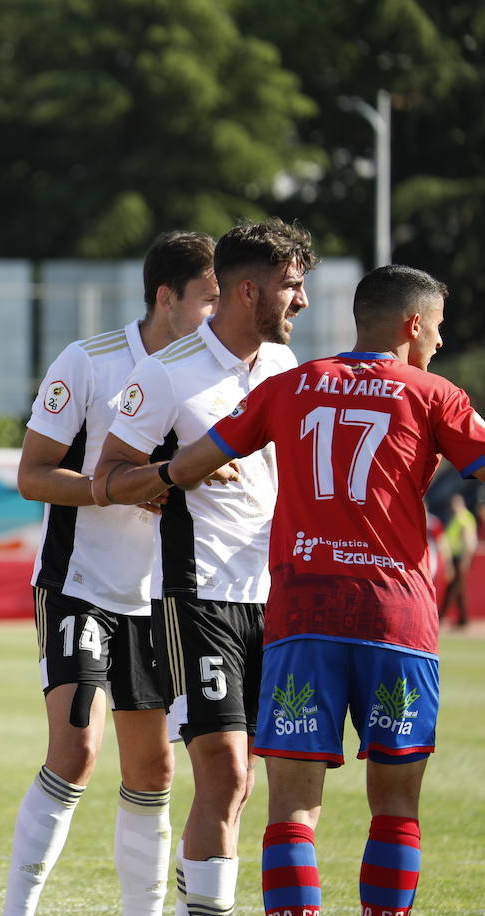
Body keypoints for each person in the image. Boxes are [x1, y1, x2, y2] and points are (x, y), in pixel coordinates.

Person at [161, 264, 485, 916]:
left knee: (291, 809)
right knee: (395, 806)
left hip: (303, 615)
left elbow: (191, 464)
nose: (442, 344)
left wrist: (115, 485)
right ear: (412, 325)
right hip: (395, 619)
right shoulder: (435, 394)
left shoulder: (291, 385)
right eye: (440, 330)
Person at [92, 217, 318, 916]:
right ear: (249, 292)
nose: (302, 301)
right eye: (292, 286)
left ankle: (204, 896)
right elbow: (108, 475)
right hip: (199, 594)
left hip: (278, 596)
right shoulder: (164, 374)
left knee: (248, 779)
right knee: (219, 769)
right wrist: (177, 471)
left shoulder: (288, 370)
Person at [4, 230, 219, 915]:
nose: (220, 316)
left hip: (159, 597)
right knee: (75, 752)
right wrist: (112, 488)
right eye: (210, 300)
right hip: (80, 586)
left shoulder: (215, 373)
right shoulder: (89, 360)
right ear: (168, 297)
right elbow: (31, 476)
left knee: (155, 770)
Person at [437, 491, 476, 629]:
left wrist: (466, 558)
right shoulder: (457, 518)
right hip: (456, 556)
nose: (452, 507)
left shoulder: (463, 518)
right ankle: (463, 619)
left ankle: (441, 617)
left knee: (452, 588)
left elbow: (468, 540)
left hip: (460, 557)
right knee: (458, 589)